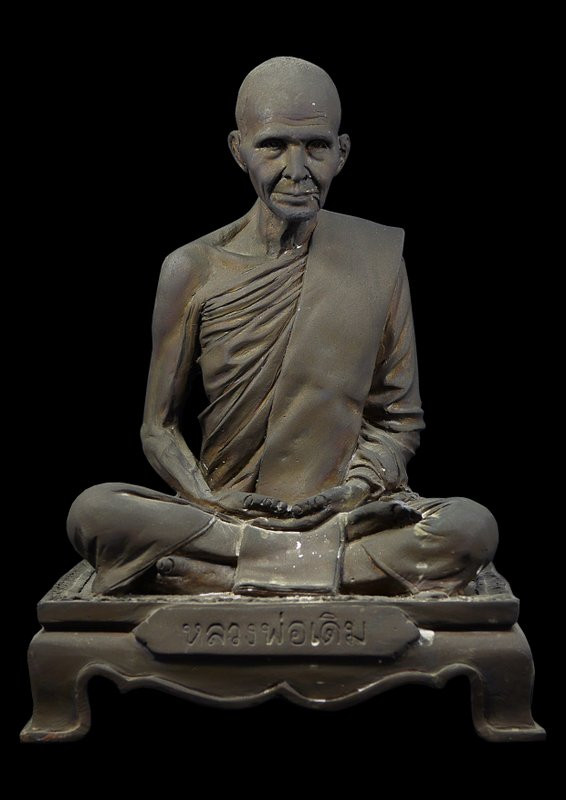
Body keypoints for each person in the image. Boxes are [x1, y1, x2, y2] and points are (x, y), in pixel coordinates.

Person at [66, 56, 498, 597]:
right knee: (94, 513)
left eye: (316, 146)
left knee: (471, 528)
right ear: (238, 149)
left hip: (344, 514)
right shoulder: (193, 269)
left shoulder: (375, 257)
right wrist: (207, 498)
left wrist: (354, 490)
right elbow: (158, 427)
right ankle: (324, 570)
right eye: (273, 146)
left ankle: (220, 574)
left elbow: (398, 419)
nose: (297, 169)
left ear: (341, 153)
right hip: (227, 514)